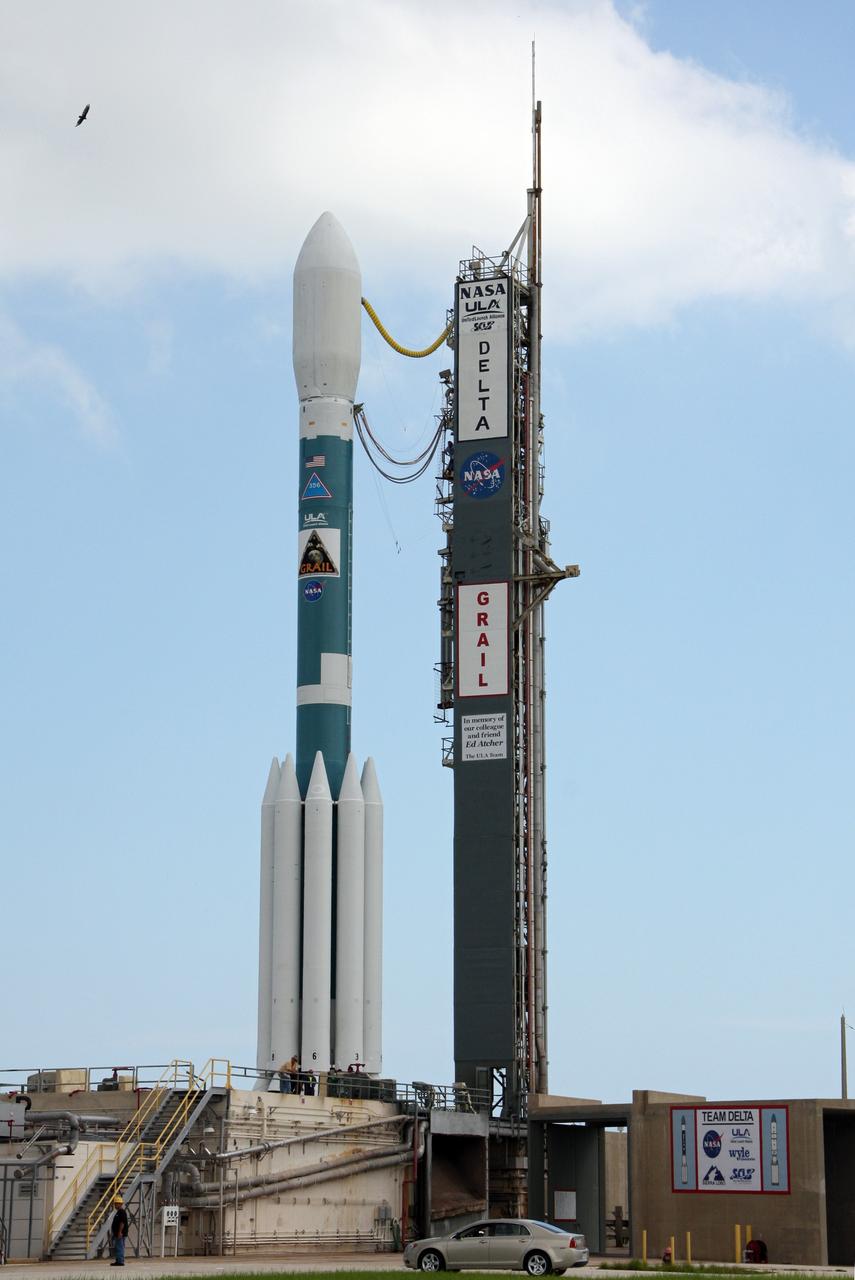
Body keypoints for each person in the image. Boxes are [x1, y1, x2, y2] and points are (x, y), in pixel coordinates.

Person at [110, 1195, 128, 1266]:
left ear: (120, 1204)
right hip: (117, 1233)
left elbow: (122, 1222)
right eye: (115, 1203)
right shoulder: (118, 1212)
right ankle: (118, 1260)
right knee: (118, 1247)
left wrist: (120, 1232)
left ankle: (120, 1261)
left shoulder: (122, 1212)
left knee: (120, 1247)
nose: (115, 1205)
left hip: (120, 1234)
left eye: (116, 1203)